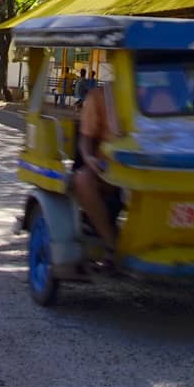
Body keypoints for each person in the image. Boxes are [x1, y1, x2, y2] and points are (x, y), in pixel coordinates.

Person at [73, 81, 120, 271]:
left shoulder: (164, 91)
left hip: (154, 168)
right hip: (110, 171)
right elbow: (85, 140)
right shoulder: (101, 96)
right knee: (82, 180)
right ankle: (111, 245)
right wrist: (89, 158)